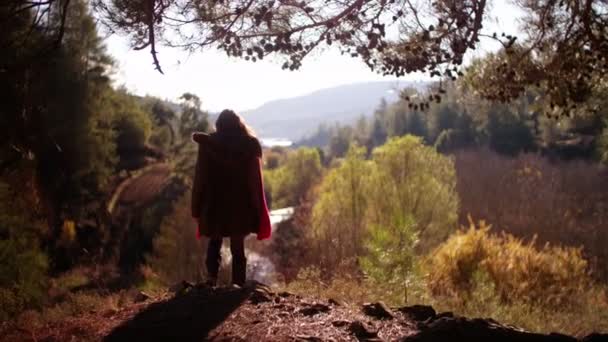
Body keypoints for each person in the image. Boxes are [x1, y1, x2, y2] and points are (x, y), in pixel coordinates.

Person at [191, 109, 271, 287]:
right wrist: (257, 209)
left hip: (214, 202)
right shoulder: (249, 145)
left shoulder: (208, 144)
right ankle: (238, 285)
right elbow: (254, 180)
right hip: (240, 204)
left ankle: (211, 281)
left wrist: (195, 208)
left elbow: (200, 177)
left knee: (214, 242)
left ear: (219, 125)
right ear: (239, 124)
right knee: (237, 248)